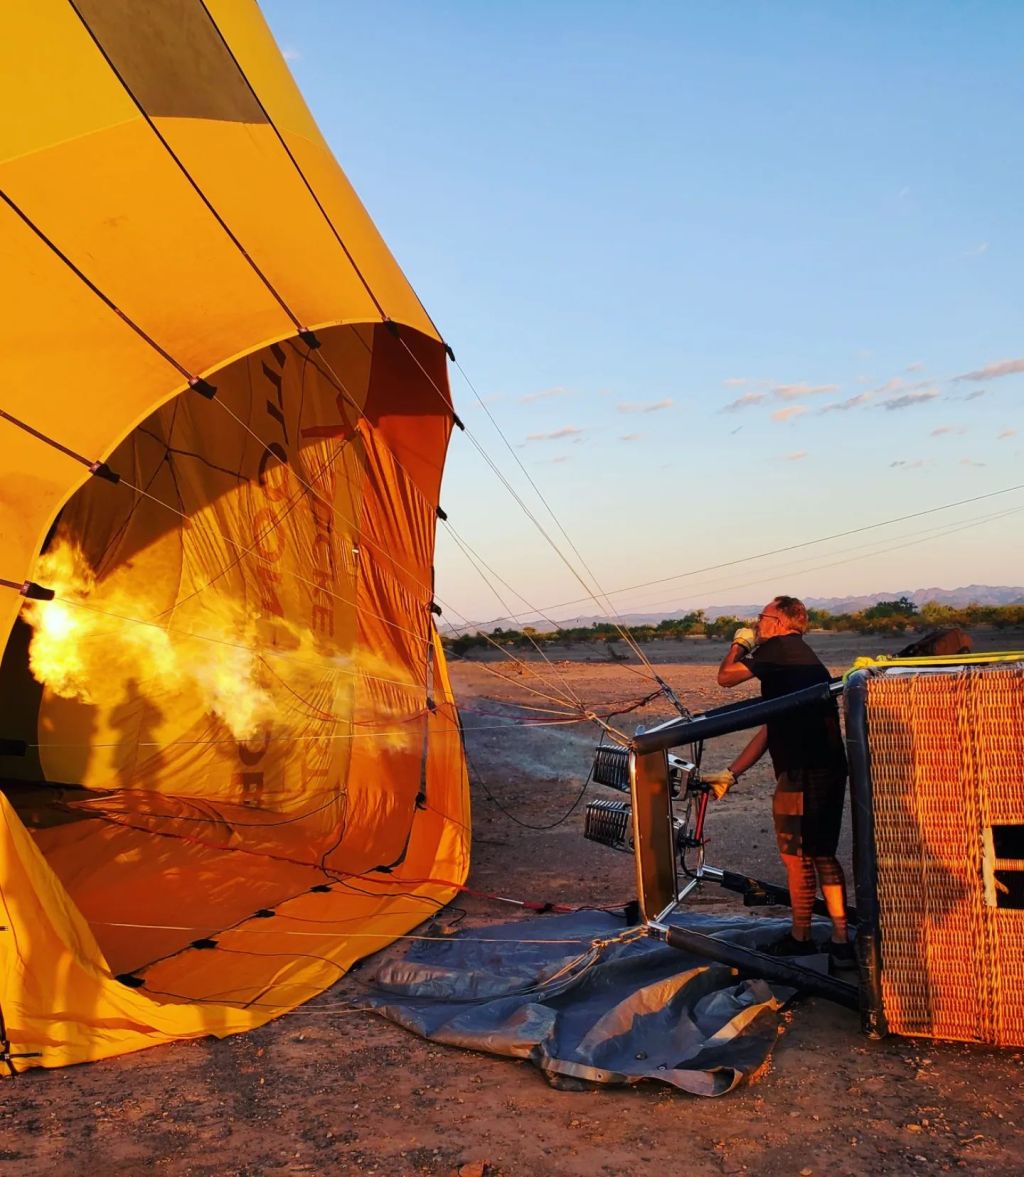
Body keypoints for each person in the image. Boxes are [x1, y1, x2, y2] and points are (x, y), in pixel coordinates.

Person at [703, 596, 855, 969]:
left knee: (797, 856)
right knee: (821, 852)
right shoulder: (798, 656)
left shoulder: (780, 648)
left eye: (762, 617)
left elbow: (726, 677)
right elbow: (773, 726)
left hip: (802, 770)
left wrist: (740, 643)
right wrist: (731, 773)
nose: (758, 623)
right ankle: (840, 941)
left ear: (782, 621)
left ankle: (801, 938)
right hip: (826, 766)